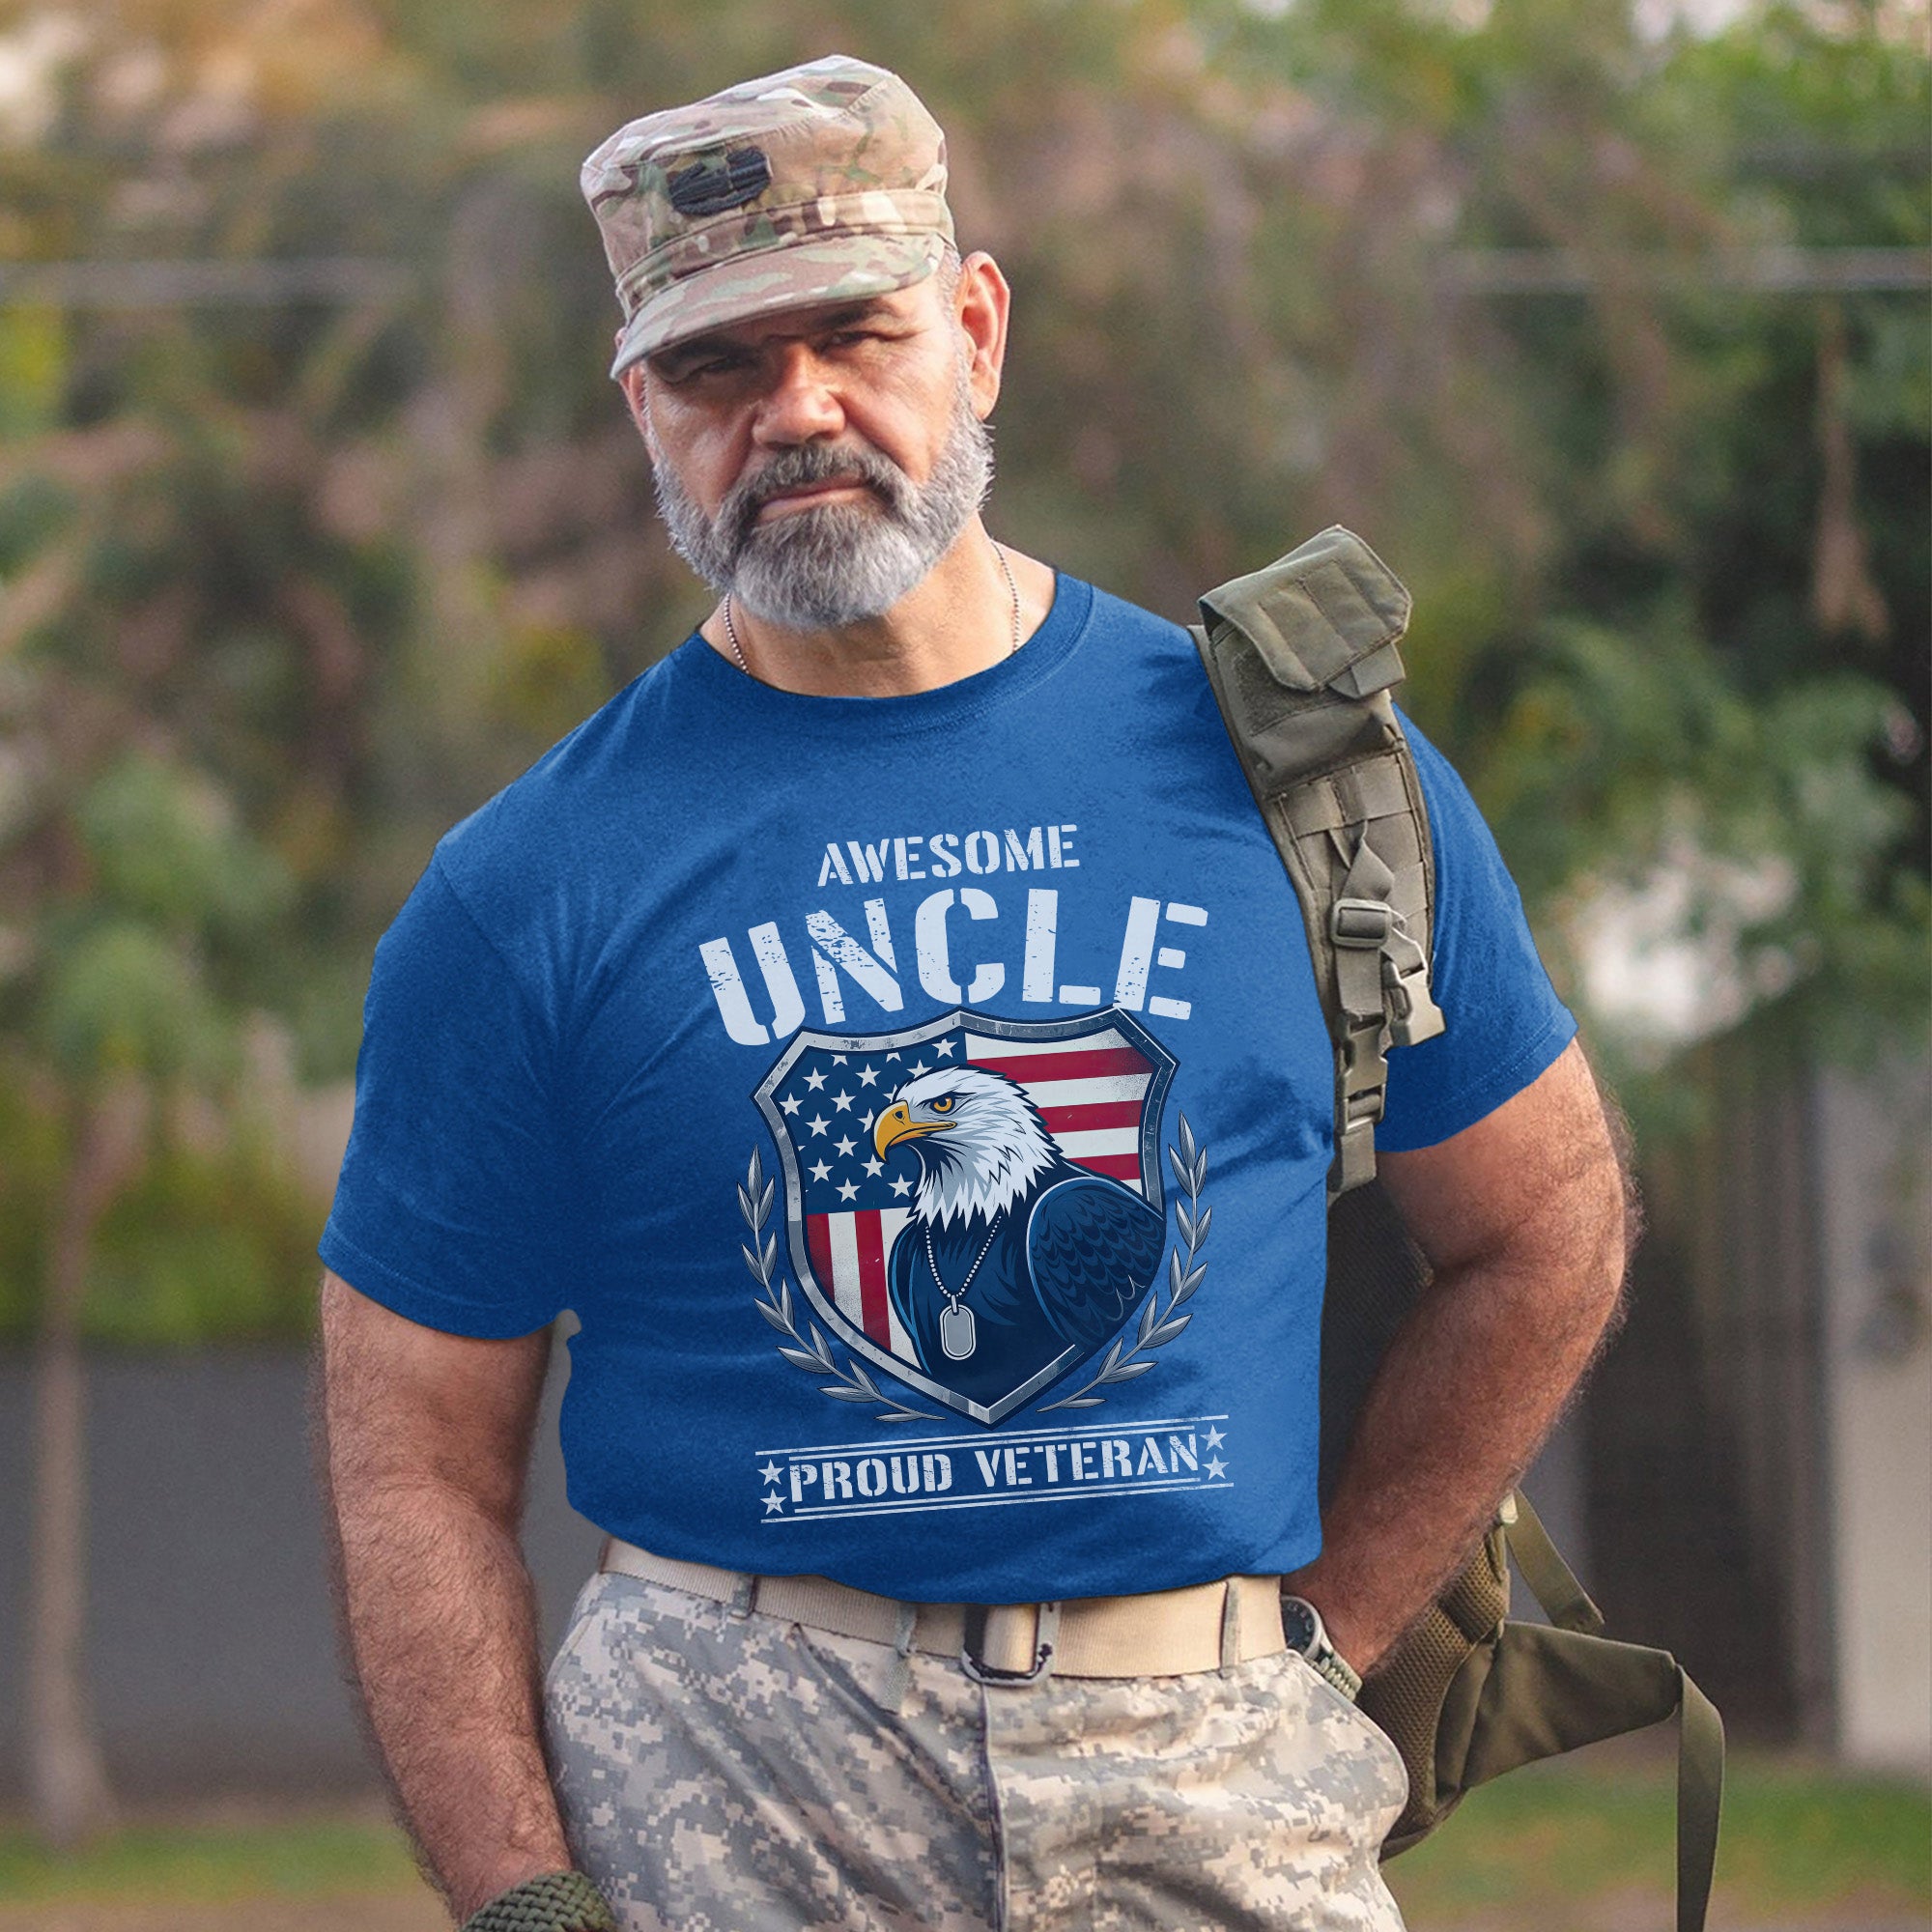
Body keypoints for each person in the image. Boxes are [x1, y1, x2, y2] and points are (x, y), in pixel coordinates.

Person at [315, 54, 1628, 1932]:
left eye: (856, 331)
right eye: (716, 366)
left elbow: (1544, 1225)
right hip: (725, 1795)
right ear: (642, 408)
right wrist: (523, 1893)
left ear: (979, 330)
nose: (796, 409)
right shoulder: (529, 888)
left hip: (1213, 1779)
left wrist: (1321, 1644)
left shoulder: (1308, 789)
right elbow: (416, 1465)